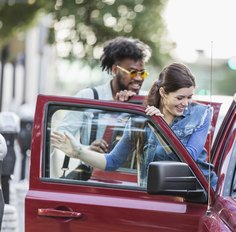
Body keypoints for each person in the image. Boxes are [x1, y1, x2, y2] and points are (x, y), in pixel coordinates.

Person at [51, 62, 218, 189]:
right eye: (180, 98)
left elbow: (188, 158)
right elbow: (112, 161)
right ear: (163, 93)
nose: (186, 104)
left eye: (190, 97)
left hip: (200, 194)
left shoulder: (201, 113)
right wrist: (78, 151)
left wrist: (159, 128)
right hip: (158, 196)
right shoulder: (140, 120)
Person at [54, 37, 151, 179]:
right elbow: (57, 137)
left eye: (142, 73)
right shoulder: (88, 97)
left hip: (131, 183)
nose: (138, 78)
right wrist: (85, 150)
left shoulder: (146, 101)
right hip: (92, 181)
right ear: (114, 70)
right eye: (132, 72)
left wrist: (135, 105)